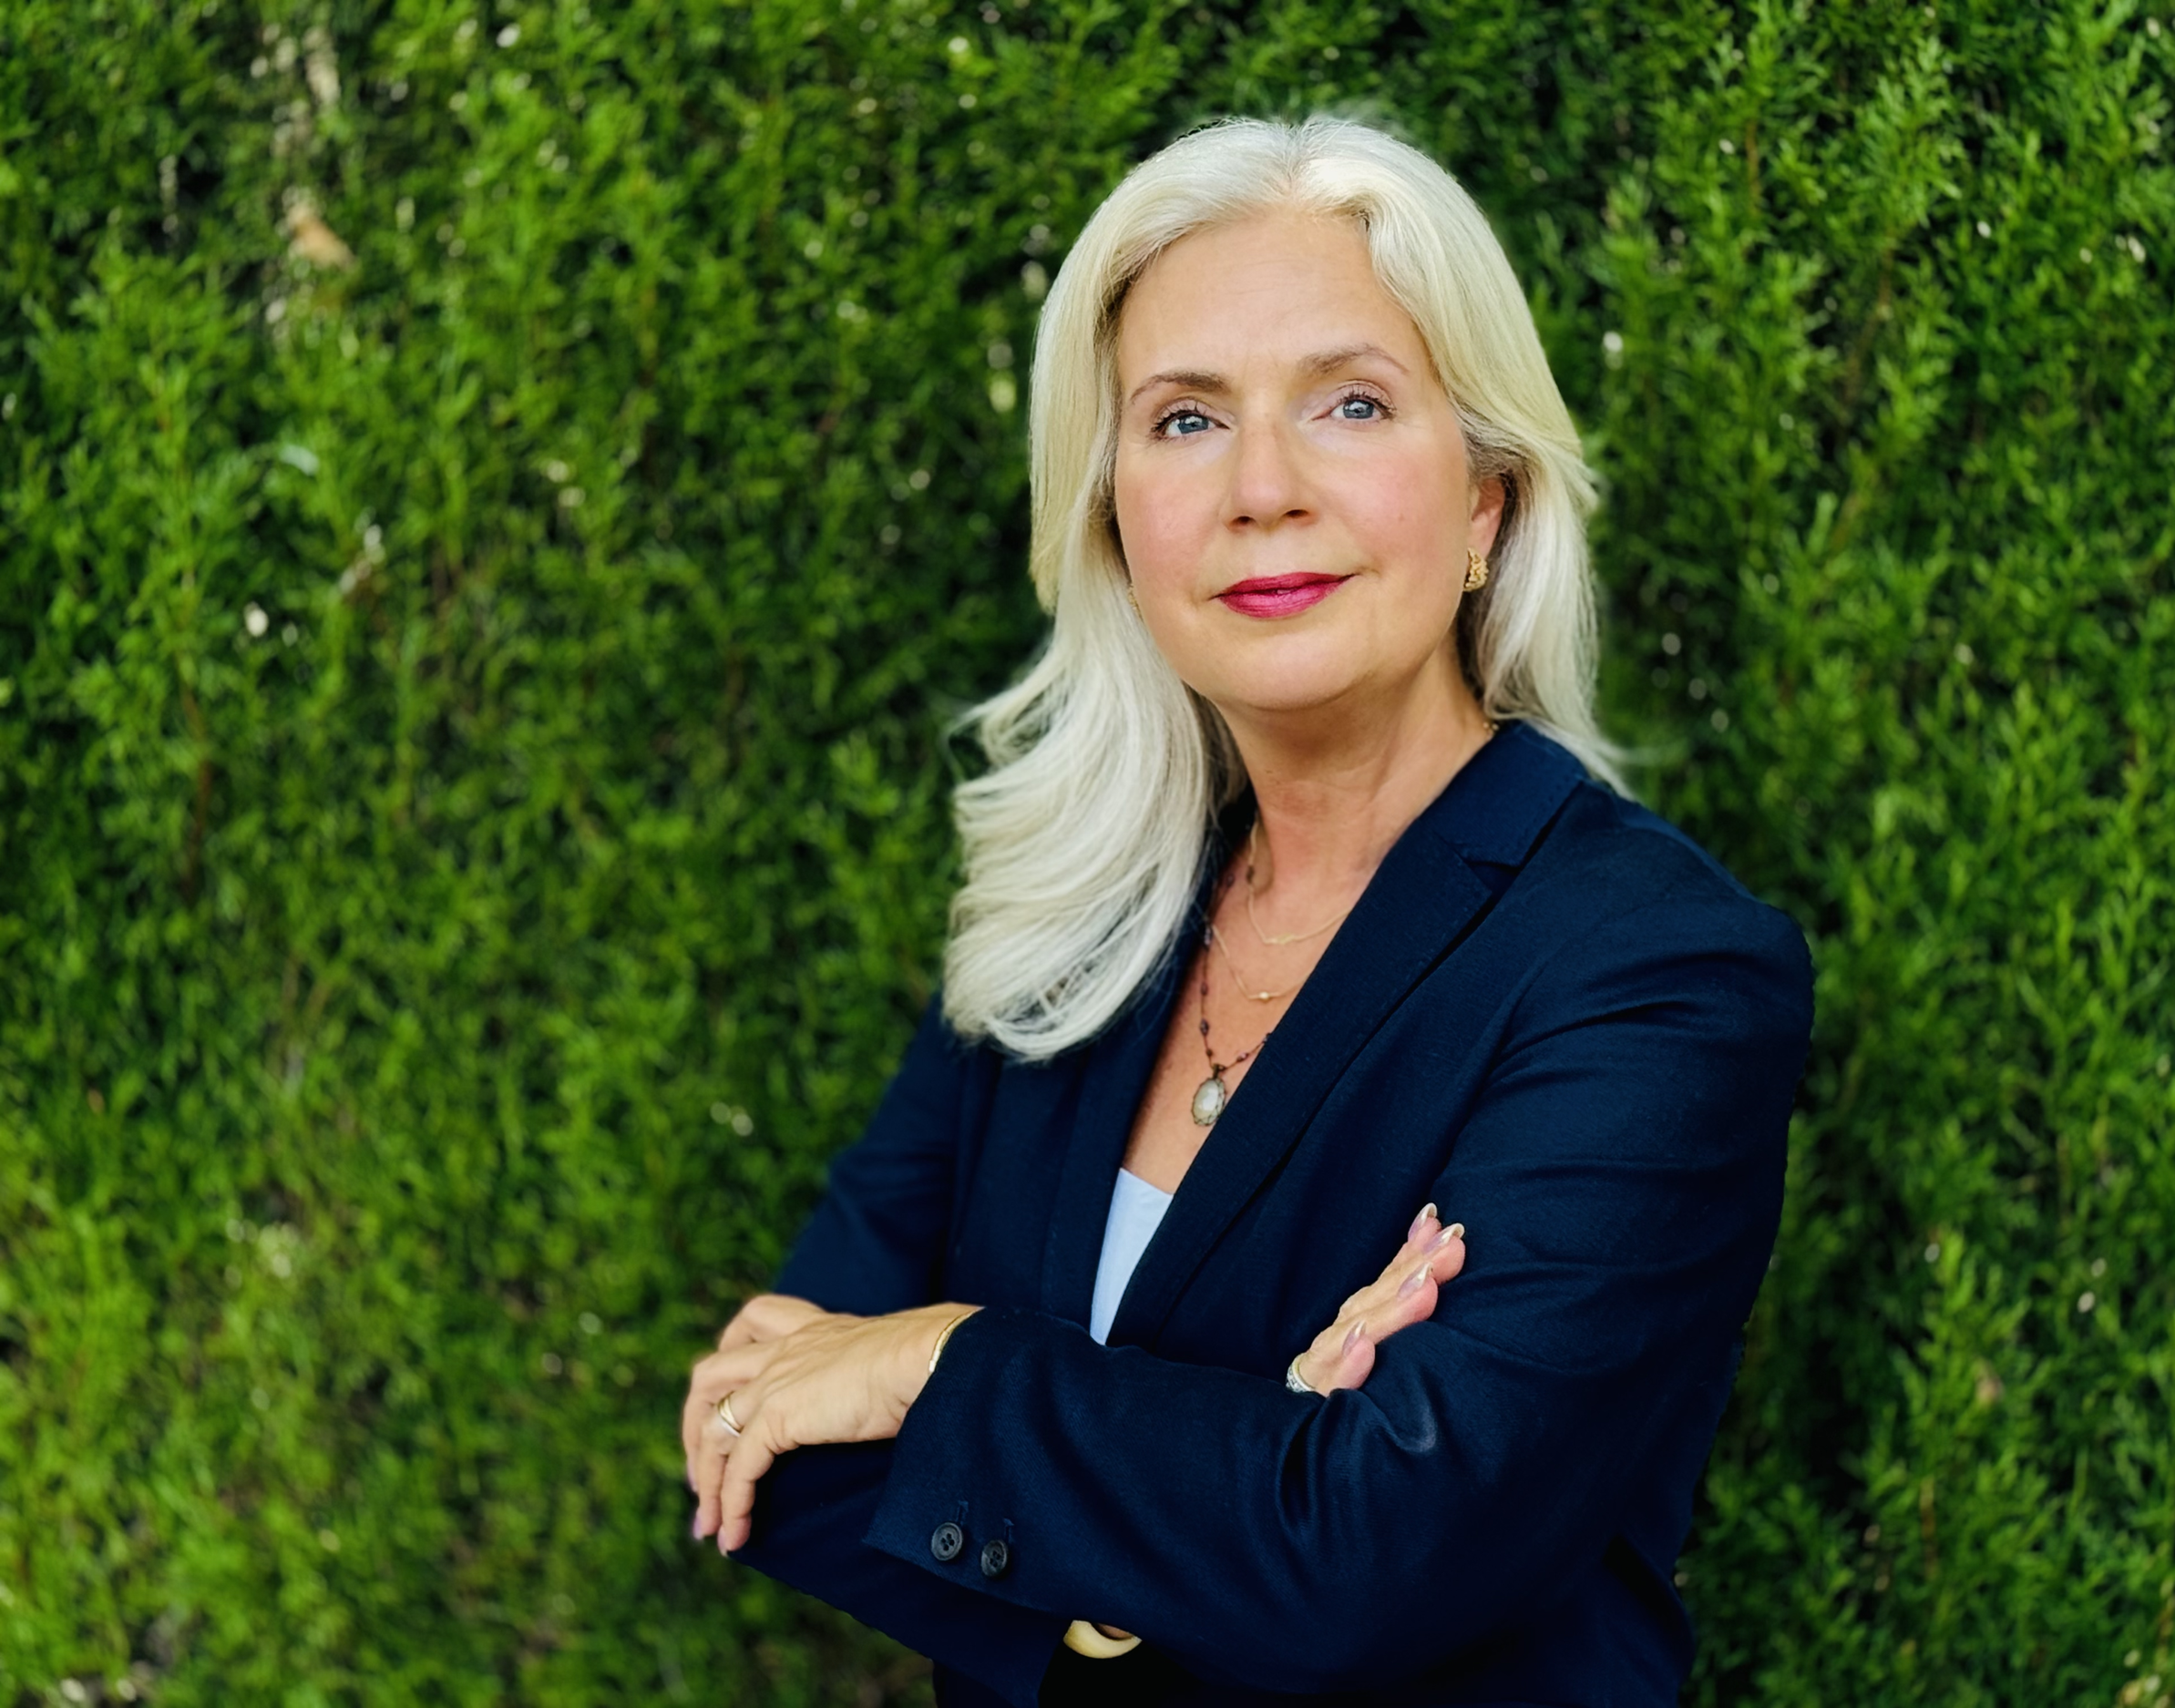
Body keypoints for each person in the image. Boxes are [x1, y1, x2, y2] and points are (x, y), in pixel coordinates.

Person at [679, 115, 1812, 1707]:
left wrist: (933, 1366)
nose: (1263, 487)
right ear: (1115, 518)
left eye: (1351, 403)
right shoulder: (1066, 928)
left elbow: (1377, 1554)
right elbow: (763, 1449)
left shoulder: (1651, 971)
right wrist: (1243, 1488)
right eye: (1186, 418)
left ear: (1486, 498)